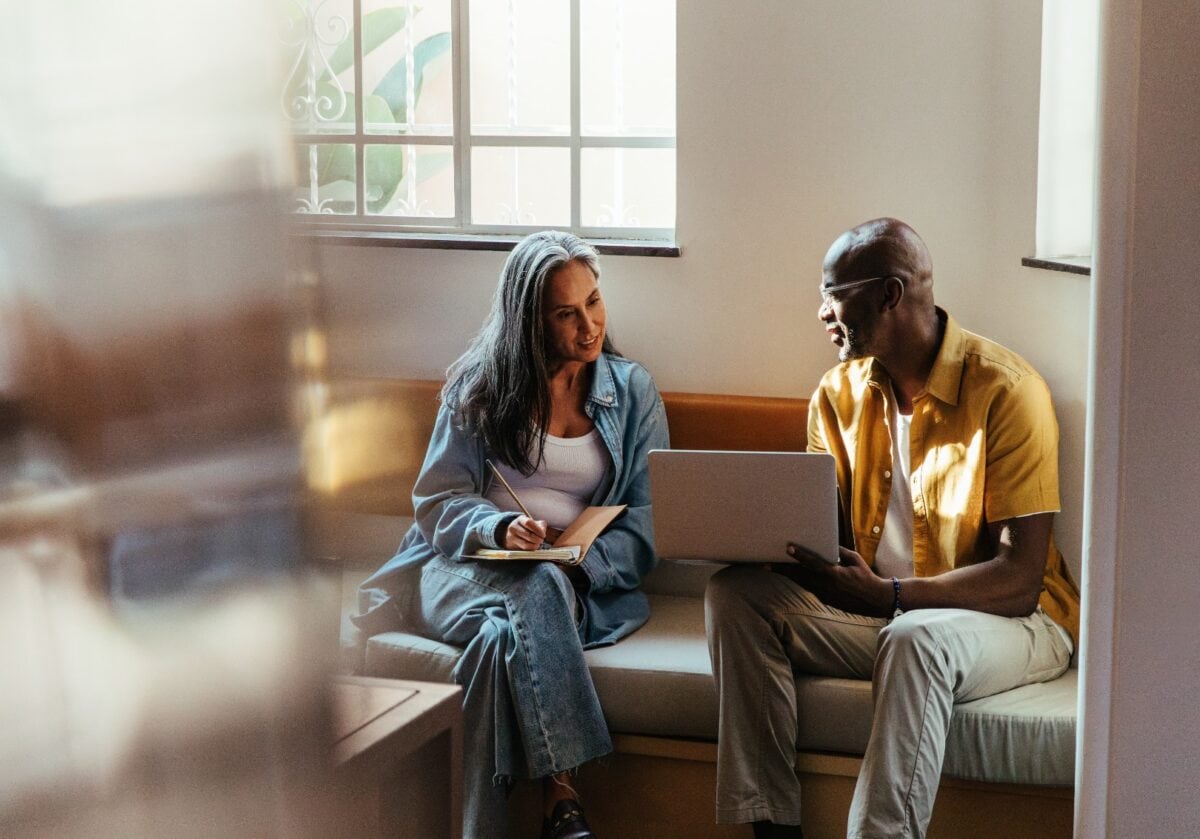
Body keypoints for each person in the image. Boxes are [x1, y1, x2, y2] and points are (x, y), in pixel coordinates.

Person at [704, 218, 1081, 839]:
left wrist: (894, 597)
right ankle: (771, 828)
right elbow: (823, 531)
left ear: (889, 294)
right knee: (735, 596)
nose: (822, 312)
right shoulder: (837, 393)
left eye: (834, 294)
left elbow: (1018, 581)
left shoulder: (1008, 391)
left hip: (1013, 623)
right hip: (883, 612)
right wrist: (772, 547)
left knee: (916, 639)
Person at [353, 230, 669, 839]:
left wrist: (583, 560)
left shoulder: (632, 394)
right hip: (457, 569)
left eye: (595, 302)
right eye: (566, 313)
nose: (589, 326)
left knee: (500, 640)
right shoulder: (477, 386)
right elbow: (436, 501)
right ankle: (562, 792)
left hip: (569, 575)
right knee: (534, 585)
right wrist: (498, 525)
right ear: (530, 321)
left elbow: (650, 519)